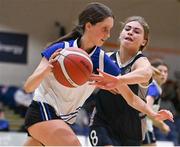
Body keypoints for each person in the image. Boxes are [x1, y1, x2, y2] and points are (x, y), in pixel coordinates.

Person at [23, 2, 120, 146]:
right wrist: (46, 70)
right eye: (104, 29)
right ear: (88, 26)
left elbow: (121, 87)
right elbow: (28, 87)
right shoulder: (60, 50)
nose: (108, 35)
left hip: (64, 119)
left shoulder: (102, 60)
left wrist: (107, 83)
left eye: (110, 30)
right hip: (43, 110)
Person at [88, 16, 173, 146]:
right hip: (102, 122)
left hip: (132, 128)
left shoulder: (141, 61)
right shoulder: (106, 58)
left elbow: (145, 73)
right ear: (121, 34)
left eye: (137, 31)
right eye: (127, 29)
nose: (130, 32)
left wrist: (118, 80)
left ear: (144, 42)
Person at [142, 59, 171, 146]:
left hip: (145, 126)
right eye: (160, 71)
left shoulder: (156, 87)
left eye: (165, 72)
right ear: (153, 72)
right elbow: (146, 110)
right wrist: (162, 125)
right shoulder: (153, 88)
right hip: (143, 128)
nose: (163, 74)